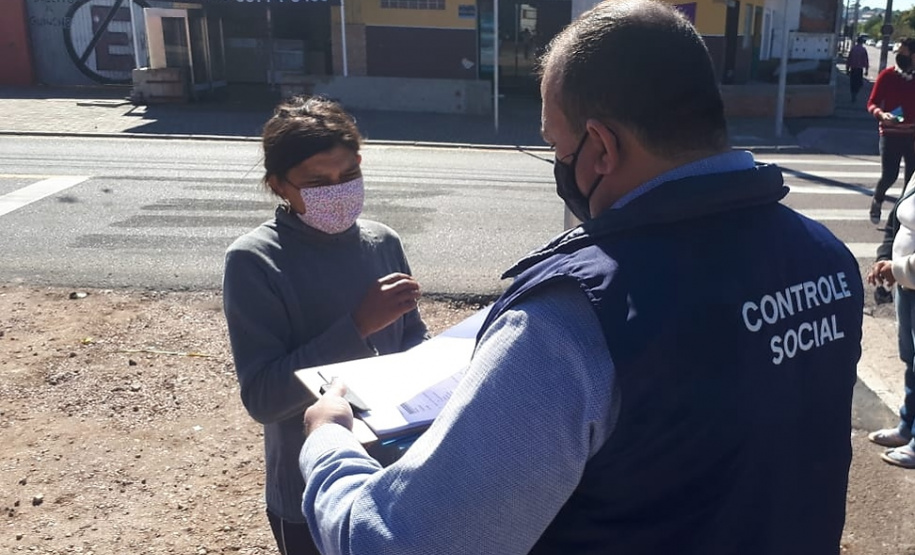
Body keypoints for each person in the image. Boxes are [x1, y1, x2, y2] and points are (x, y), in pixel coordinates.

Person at [299, 1, 863, 553]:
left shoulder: (571, 320)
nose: (557, 161)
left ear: (601, 147)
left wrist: (328, 443)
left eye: (553, 144)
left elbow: (397, 542)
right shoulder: (825, 256)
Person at [222, 95, 429, 555]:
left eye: (349, 176)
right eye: (317, 182)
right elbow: (263, 397)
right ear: (279, 186)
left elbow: (412, 336)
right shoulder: (255, 261)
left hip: (397, 476)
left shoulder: (382, 241)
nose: (337, 191)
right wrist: (357, 326)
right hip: (310, 491)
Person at [866, 180, 915, 468]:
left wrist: (898, 269)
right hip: (908, 287)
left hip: (907, 277)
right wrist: (885, 257)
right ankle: (907, 426)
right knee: (910, 360)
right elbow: (898, 219)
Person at [866, 37, 915, 224]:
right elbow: (872, 102)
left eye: (902, 53)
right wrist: (881, 114)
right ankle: (878, 199)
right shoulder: (887, 76)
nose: (898, 56)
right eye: (897, 53)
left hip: (912, 136)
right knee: (889, 175)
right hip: (890, 134)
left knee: (911, 182)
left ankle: (896, 219)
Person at [847, 35, 869, 102]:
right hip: (859, 69)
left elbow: (849, 59)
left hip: (853, 69)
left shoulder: (853, 49)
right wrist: (866, 70)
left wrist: (847, 69)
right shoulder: (863, 50)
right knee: (859, 83)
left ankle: (853, 95)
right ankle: (855, 94)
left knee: (852, 83)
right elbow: (865, 60)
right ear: (862, 42)